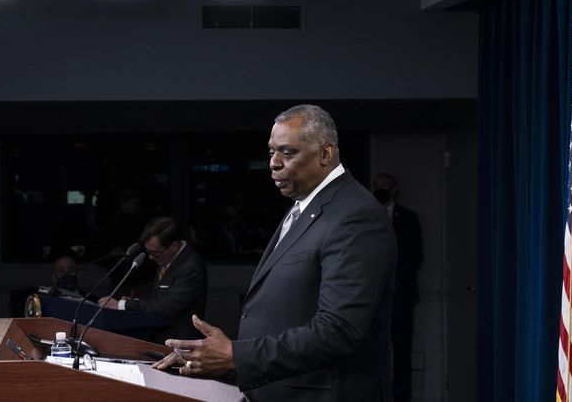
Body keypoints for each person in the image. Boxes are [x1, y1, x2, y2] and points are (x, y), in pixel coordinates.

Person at [154, 104, 397, 401]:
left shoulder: (355, 215)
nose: (274, 163)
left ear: (325, 153)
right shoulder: (304, 206)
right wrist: (219, 360)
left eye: (288, 153)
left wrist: (236, 357)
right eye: (271, 152)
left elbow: (339, 330)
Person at [99, 216, 208, 343]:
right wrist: (135, 300)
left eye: (155, 253)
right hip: (161, 339)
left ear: (174, 246)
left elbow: (170, 306)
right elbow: (159, 295)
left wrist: (123, 305)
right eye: (148, 251)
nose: (150, 257)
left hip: (180, 343)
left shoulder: (190, 266)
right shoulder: (167, 258)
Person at [373, 172, 423, 402]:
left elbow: (416, 256)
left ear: (394, 189)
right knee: (373, 352)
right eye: (378, 186)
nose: (381, 190)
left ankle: (401, 398)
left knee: (402, 353)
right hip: (373, 298)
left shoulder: (409, 218)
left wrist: (396, 281)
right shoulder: (369, 217)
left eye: (385, 186)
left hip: (401, 297)